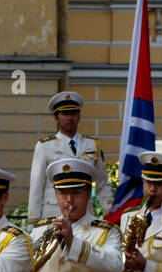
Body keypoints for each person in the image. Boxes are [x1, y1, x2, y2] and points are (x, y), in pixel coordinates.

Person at [27, 92, 113, 221]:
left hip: (84, 213)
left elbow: (102, 182)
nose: (70, 118)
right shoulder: (45, 146)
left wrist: (111, 210)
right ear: (56, 117)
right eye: (65, 114)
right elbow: (36, 187)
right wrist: (33, 221)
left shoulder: (92, 145)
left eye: (73, 113)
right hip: (53, 214)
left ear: (79, 116)